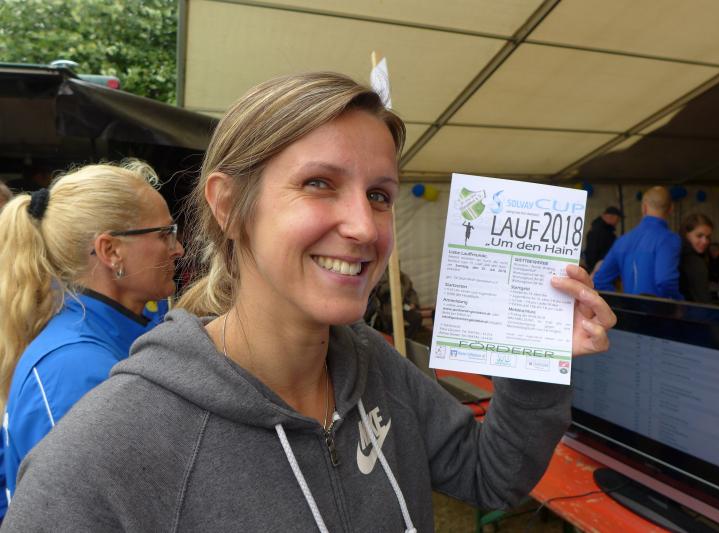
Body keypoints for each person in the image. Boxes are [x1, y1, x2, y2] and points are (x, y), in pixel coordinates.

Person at [2, 73, 615, 532]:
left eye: (379, 195)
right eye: (319, 183)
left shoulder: (374, 365)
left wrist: (533, 355)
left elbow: (490, 475)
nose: (364, 227)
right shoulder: (102, 453)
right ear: (228, 205)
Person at [0, 161, 184, 518]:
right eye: (164, 234)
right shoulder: (75, 369)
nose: (178, 249)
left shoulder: (106, 337)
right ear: (110, 250)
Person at [594, 186, 682, 299]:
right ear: (671, 209)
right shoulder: (669, 239)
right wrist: (681, 304)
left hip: (630, 309)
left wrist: (623, 303)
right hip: (660, 308)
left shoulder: (622, 241)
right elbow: (665, 281)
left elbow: (599, 281)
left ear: (644, 208)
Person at [678, 213, 713, 303]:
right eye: (699, 236)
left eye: (708, 237)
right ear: (686, 234)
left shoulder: (677, 252)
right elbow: (702, 298)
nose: (705, 241)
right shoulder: (693, 261)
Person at [584, 206, 622, 274]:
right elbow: (592, 251)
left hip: (600, 269)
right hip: (599, 270)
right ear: (610, 216)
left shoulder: (604, 229)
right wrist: (593, 270)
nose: (618, 221)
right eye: (617, 218)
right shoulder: (600, 231)